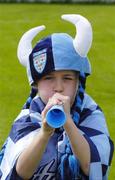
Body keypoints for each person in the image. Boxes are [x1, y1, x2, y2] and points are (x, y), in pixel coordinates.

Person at [0, 14, 114, 180]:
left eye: (67, 78)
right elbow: (20, 172)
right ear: (36, 85)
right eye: (48, 78)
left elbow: (93, 166)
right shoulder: (28, 117)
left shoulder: (91, 113)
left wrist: (69, 123)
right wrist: (44, 133)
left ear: (79, 82)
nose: (58, 87)